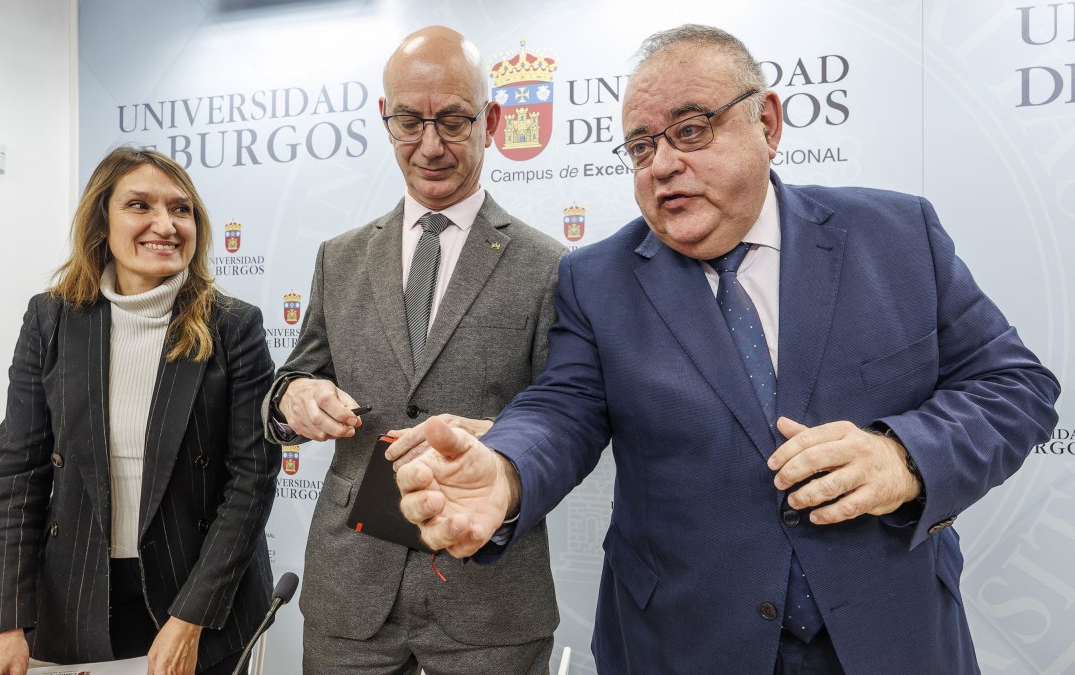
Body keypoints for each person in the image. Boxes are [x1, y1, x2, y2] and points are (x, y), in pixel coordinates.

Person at [396, 24, 1061, 675]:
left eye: (690, 130)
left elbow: (1014, 387)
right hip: (682, 640)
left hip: (890, 632)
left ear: (766, 123)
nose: (662, 165)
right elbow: (561, 411)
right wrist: (507, 469)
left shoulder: (896, 234)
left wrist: (903, 455)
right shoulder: (597, 278)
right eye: (639, 147)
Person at [263, 25, 563, 675]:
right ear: (384, 117)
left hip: (490, 601)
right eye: (409, 121)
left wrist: (497, 445)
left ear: (493, 121)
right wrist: (294, 397)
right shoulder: (339, 258)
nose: (430, 145)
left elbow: (567, 419)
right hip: (351, 597)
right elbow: (295, 373)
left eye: (454, 120)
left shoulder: (548, 266)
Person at [0, 146, 279, 675]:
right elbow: (14, 475)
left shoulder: (234, 325)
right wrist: (7, 623)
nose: (164, 224)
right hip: (79, 593)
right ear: (102, 221)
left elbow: (251, 480)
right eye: (139, 205)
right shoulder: (50, 319)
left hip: (199, 594)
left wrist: (191, 618)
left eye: (180, 209)